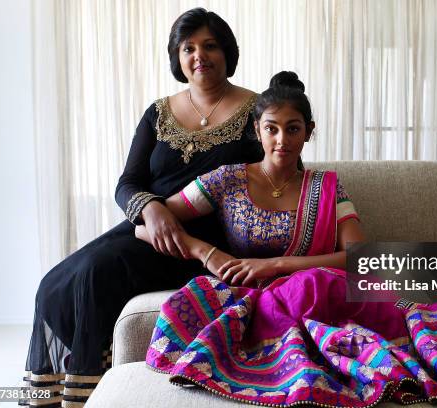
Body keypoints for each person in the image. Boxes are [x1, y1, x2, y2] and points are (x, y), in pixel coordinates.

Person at [141, 71, 437, 407]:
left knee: (319, 284)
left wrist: (277, 265)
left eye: (294, 129)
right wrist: (208, 251)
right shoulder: (226, 180)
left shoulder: (328, 188)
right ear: (257, 131)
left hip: (325, 288)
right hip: (256, 297)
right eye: (272, 128)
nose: (282, 140)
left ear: (309, 133)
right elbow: (151, 222)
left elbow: (360, 259)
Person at [23, 8, 263, 408]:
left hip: (205, 243)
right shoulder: (158, 112)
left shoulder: (255, 112)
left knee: (95, 275)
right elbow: (127, 183)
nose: (199, 56)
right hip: (146, 227)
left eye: (210, 46)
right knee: (52, 286)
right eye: (188, 48)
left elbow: (276, 176)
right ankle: (50, 397)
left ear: (227, 52)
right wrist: (151, 210)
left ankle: (85, 397)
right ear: (177, 56)